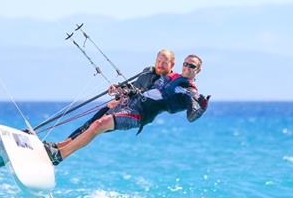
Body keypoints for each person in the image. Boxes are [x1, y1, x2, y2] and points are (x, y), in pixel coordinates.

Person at [46, 54, 210, 164]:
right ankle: (59, 146)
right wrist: (123, 90)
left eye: (192, 66)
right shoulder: (172, 76)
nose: (188, 67)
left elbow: (192, 115)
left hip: (140, 115)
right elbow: (145, 86)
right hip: (131, 105)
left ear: (198, 71)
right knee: (95, 121)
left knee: (99, 125)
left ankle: (59, 156)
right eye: (186, 64)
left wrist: (200, 109)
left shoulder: (189, 90)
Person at [63, 49, 176, 142]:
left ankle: (62, 151)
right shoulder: (147, 71)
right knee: (89, 124)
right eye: (158, 61)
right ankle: (61, 145)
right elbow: (133, 85)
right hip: (120, 104)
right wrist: (119, 87)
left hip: (131, 113)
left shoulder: (167, 84)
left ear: (172, 64)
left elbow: (145, 96)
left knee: (93, 129)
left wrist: (126, 92)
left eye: (164, 63)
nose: (160, 65)